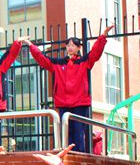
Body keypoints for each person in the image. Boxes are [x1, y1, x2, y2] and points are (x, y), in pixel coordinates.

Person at [22, 24, 115, 154]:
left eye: (73, 45)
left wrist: (103, 35)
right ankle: (67, 154)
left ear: (78, 48)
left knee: (78, 132)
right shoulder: (58, 63)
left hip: (80, 102)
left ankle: (80, 155)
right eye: (68, 45)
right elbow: (42, 59)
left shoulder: (84, 61)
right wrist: (31, 45)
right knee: (66, 132)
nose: (70, 48)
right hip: (63, 102)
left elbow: (96, 52)